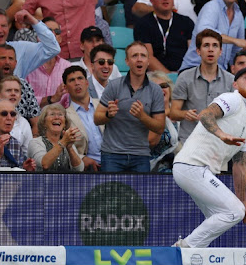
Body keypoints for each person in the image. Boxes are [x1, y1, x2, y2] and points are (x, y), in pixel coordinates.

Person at [171, 67, 246, 248]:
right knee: (233, 212)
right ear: (235, 84)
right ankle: (182, 248)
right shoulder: (232, 98)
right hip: (191, 166)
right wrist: (221, 134)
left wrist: (243, 202)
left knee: (221, 216)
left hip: (197, 170)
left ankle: (191, 260)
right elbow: (206, 114)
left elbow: (239, 165)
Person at [94, 41, 166, 172]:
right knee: (111, 193)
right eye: (134, 56)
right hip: (112, 154)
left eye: (143, 56)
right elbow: (97, 118)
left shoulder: (155, 90)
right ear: (127, 61)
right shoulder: (114, 85)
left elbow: (160, 127)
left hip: (140, 155)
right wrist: (108, 115)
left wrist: (142, 117)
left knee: (139, 193)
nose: (139, 59)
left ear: (148, 61)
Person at [0, 8, 59, 84]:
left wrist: (33, 22)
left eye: (4, 26)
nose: (0, 30)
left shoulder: (21, 49)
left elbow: (53, 48)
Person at [170, 29, 233, 142]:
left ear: (220, 51)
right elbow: (173, 113)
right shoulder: (185, 77)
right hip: (189, 141)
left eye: (215, 46)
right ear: (198, 51)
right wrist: (185, 114)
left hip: (219, 142)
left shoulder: (230, 80)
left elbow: (234, 114)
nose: (210, 50)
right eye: (206, 45)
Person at [180, 0, 246, 70]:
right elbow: (204, 33)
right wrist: (234, 41)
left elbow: (237, 50)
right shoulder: (211, 7)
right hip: (194, 69)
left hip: (220, 73)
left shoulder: (238, 14)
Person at [134, 0, 195, 72]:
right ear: (151, 1)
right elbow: (147, 57)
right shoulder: (143, 24)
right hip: (155, 76)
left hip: (184, 75)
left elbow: (192, 53)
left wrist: (183, 75)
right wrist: (170, 77)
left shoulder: (186, 22)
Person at [63, 65, 103, 171]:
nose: (77, 83)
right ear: (66, 88)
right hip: (87, 168)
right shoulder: (65, 115)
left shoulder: (103, 105)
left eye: (80, 78)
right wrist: (81, 158)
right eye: (72, 80)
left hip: (114, 161)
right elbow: (61, 144)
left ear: (87, 83)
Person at [26, 18, 73, 107]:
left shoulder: (67, 67)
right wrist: (51, 99)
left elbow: (70, 101)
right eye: (48, 30)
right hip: (32, 117)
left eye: (57, 31)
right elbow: (24, 99)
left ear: (60, 39)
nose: (53, 34)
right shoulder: (28, 66)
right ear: (38, 37)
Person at [28, 103, 85, 171]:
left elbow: (79, 169)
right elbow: (44, 164)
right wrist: (63, 142)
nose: (57, 117)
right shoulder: (35, 142)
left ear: (65, 123)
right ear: (44, 122)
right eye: (52, 114)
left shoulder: (67, 142)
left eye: (60, 115)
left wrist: (70, 148)